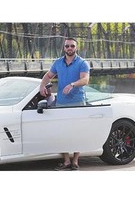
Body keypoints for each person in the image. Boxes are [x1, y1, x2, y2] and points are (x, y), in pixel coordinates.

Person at [39, 37, 90, 170]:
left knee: (78, 131)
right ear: (64, 48)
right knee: (62, 132)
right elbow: (48, 75)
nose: (69, 48)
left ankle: (75, 161)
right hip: (62, 102)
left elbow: (85, 80)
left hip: (78, 101)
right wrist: (42, 85)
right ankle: (66, 161)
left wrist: (73, 84)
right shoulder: (58, 63)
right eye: (67, 46)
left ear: (76, 47)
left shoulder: (82, 63)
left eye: (72, 46)